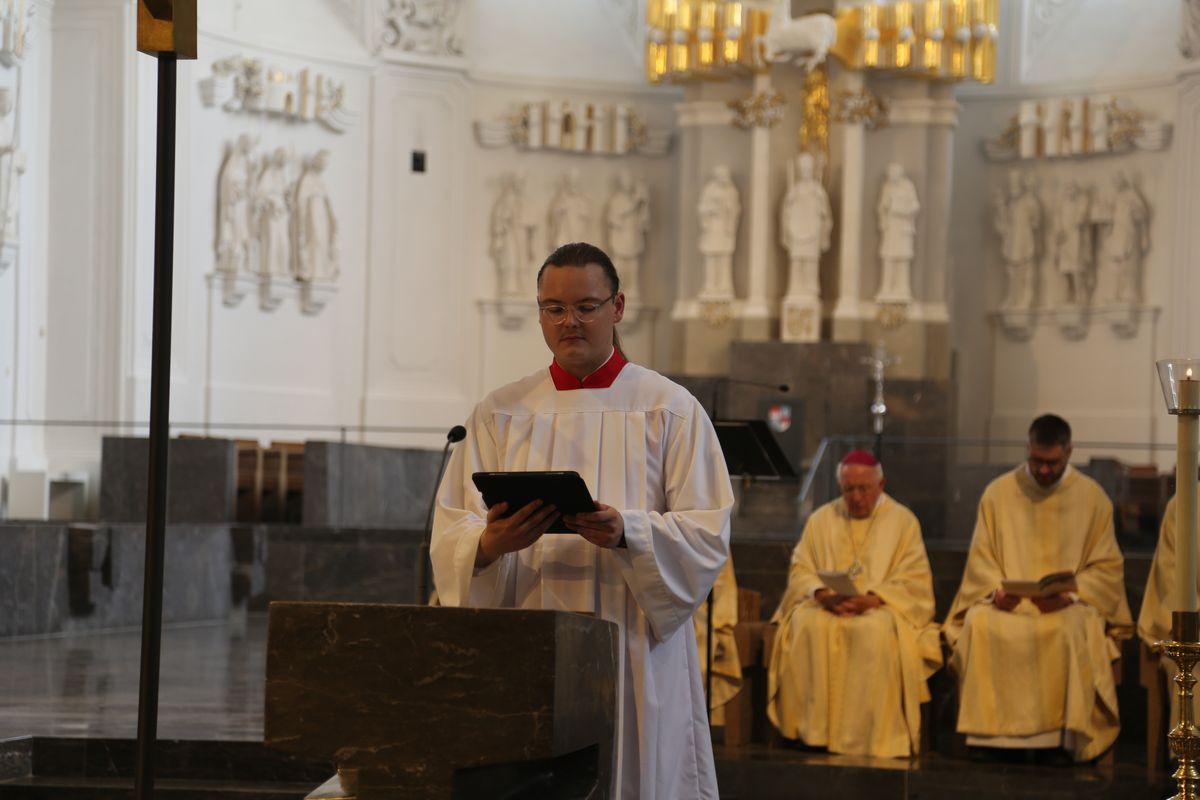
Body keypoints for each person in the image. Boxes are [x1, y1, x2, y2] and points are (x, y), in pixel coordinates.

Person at [431, 242, 734, 799]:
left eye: (585, 307)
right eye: (554, 308)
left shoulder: (670, 408)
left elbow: (707, 530)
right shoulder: (500, 412)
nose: (569, 321)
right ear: (539, 313)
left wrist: (629, 533)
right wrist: (489, 544)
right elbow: (453, 526)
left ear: (618, 307)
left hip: (632, 638)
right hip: (529, 632)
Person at [943, 414, 1132, 761]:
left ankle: (1061, 740)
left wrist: (1070, 595)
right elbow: (982, 559)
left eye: (1052, 463)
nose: (1044, 470)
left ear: (1069, 452)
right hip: (1010, 604)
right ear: (1027, 450)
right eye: (1037, 461)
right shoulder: (998, 493)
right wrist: (995, 593)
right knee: (979, 624)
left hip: (1067, 606)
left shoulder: (1093, 498)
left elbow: (1106, 567)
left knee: (1071, 628)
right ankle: (989, 738)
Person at [766, 450, 940, 758]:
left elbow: (915, 581)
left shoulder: (903, 522)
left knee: (874, 631)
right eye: (849, 490)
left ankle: (870, 736)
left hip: (879, 608)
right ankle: (812, 732)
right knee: (807, 624)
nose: (856, 498)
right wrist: (823, 595)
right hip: (828, 605)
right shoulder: (822, 519)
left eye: (864, 489)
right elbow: (801, 570)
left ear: (881, 485)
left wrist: (874, 599)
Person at [1138, 489, 1200, 727]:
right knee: (1190, 660)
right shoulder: (1186, 503)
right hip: (1195, 625)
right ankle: (1190, 745)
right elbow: (1171, 576)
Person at [876, 163, 920, 304]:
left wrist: (900, 209)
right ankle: (887, 287)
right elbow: (882, 206)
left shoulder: (908, 186)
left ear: (899, 174)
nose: (892, 178)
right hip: (891, 227)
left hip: (903, 227)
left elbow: (914, 206)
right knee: (888, 256)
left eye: (894, 175)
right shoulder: (887, 187)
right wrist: (885, 210)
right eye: (890, 175)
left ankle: (903, 288)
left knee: (903, 257)